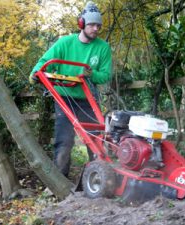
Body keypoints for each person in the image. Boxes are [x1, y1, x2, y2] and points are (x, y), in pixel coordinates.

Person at [30, 1, 112, 177]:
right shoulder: (65, 43)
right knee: (64, 141)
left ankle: (100, 178)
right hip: (64, 97)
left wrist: (92, 74)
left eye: (98, 25)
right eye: (91, 24)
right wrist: (36, 73)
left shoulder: (103, 48)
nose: (96, 28)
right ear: (81, 24)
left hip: (88, 98)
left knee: (95, 140)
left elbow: (105, 75)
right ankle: (60, 182)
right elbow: (44, 62)